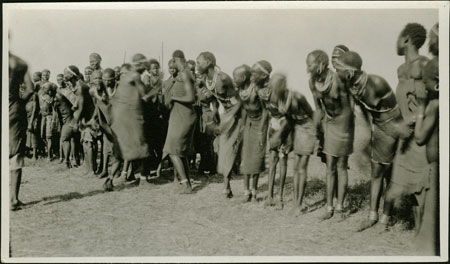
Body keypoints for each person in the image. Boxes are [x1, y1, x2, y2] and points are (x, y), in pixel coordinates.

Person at [334, 51, 413, 231]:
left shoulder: (376, 83)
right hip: (379, 128)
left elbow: (397, 112)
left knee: (387, 174)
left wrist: (397, 135)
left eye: (338, 69)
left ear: (350, 72)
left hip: (393, 128)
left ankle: (385, 219)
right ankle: (372, 216)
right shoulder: (352, 85)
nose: (336, 72)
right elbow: (366, 111)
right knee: (377, 172)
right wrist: (371, 132)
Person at [382, 23, 430, 233]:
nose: (396, 42)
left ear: (407, 39)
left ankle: (424, 239)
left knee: (421, 191)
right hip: (405, 138)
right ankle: (418, 237)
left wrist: (407, 123)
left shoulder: (424, 65)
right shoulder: (401, 70)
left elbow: (427, 105)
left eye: (399, 37)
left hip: (421, 136)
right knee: (408, 191)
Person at [307, 50, 355, 220]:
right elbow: (319, 108)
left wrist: (345, 131)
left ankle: (340, 208)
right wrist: (316, 130)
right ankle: (329, 208)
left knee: (341, 165)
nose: (307, 67)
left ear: (320, 64)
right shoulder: (312, 81)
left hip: (345, 122)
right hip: (329, 122)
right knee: (329, 167)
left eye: (310, 64)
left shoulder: (337, 79)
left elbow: (348, 107)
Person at [270, 74, 316, 215]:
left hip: (307, 128)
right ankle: (297, 203)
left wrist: (321, 136)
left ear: (283, 86)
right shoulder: (277, 99)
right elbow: (289, 121)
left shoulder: (297, 97)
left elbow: (312, 115)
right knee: (296, 168)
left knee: (301, 168)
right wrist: (283, 137)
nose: (273, 89)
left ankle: (299, 205)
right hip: (296, 128)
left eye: (276, 86)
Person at [196, 52, 238, 196]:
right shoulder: (206, 79)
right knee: (225, 148)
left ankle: (238, 187)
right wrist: (215, 112)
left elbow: (239, 100)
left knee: (230, 148)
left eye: (199, 62)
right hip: (227, 113)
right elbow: (213, 97)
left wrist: (230, 117)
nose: (197, 66)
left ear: (208, 63)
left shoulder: (223, 78)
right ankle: (227, 187)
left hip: (239, 112)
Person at [161, 50, 197, 194]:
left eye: (173, 61)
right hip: (178, 115)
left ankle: (185, 184)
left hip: (184, 115)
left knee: (172, 150)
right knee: (180, 152)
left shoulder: (185, 74)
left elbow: (191, 98)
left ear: (176, 59)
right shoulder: (181, 75)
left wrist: (175, 98)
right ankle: (186, 182)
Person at [414, 58, 439, 256]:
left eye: (425, 81)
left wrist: (421, 107)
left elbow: (420, 137)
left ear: (438, 83)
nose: (422, 86)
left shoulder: (435, 106)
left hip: (437, 170)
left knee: (432, 228)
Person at [238, 60, 271, 202]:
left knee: (257, 158)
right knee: (246, 157)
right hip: (249, 123)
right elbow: (244, 109)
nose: (252, 76)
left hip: (259, 123)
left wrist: (261, 131)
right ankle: (246, 192)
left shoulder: (260, 90)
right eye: (251, 73)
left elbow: (265, 111)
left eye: (254, 73)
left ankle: (254, 190)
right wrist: (243, 126)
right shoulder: (243, 89)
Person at [260, 73, 293, 209]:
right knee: (273, 161)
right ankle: (270, 196)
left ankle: (280, 198)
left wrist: (290, 140)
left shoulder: (288, 96)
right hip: (273, 127)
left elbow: (291, 119)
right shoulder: (264, 94)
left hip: (285, 129)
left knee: (282, 161)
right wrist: (261, 132)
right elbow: (265, 113)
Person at [9, 52, 34, 211]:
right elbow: (30, 89)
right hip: (13, 109)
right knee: (15, 153)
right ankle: (13, 199)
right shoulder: (18, 63)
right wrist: (19, 102)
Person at [39, 82, 57, 161]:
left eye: (47, 89)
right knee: (42, 135)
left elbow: (54, 110)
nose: (45, 90)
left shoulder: (52, 98)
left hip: (49, 118)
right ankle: (50, 150)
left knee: (49, 137)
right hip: (43, 118)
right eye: (44, 88)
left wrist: (53, 120)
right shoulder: (40, 96)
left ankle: (49, 156)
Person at [25, 82, 40, 161]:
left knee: (33, 135)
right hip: (27, 117)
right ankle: (27, 152)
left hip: (33, 118)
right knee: (28, 135)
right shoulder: (26, 95)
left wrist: (31, 121)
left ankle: (35, 155)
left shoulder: (34, 95)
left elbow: (34, 108)